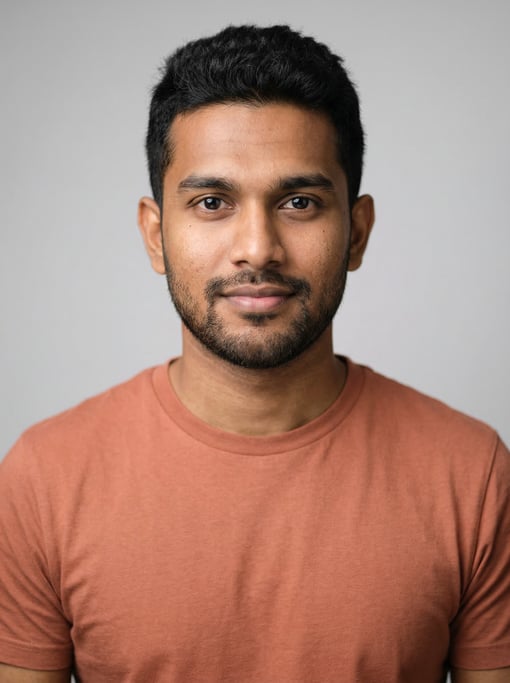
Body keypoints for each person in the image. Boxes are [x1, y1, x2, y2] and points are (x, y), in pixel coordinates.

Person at [0, 24, 508, 683]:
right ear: (156, 236)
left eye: (299, 202)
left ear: (356, 232)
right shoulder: (43, 480)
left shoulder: (471, 476)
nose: (258, 247)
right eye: (212, 202)